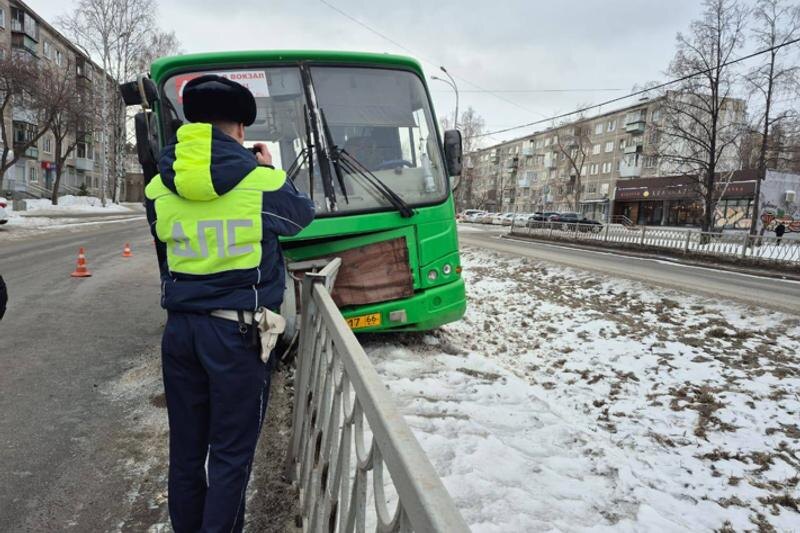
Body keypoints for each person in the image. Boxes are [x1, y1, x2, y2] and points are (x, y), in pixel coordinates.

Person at [144, 74, 315, 533]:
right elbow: (301, 218)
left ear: (192, 121)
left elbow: (167, 256)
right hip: (237, 336)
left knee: (186, 452)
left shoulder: (159, 185)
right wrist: (263, 165)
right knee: (230, 456)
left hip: (180, 333)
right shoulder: (259, 180)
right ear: (240, 127)